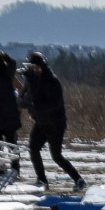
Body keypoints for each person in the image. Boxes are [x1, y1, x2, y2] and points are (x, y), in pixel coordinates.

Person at [21, 51, 82, 191]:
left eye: (36, 67)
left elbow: (54, 104)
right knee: (33, 148)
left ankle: (78, 179)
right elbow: (24, 96)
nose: (34, 70)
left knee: (56, 156)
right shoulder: (31, 80)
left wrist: (35, 105)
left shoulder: (52, 81)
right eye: (32, 67)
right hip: (40, 122)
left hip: (55, 123)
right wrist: (23, 102)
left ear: (43, 66)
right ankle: (42, 180)